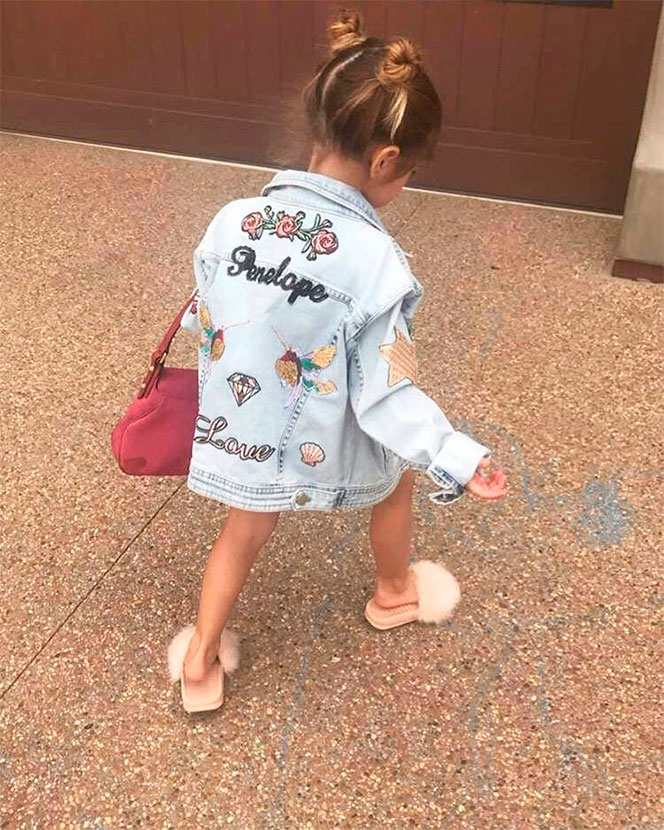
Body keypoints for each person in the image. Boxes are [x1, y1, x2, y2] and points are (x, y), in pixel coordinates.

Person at [167, 9, 507, 713]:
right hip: (326, 430)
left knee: (245, 524)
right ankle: (394, 592)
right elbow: (385, 389)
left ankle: (200, 656)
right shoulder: (375, 260)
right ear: (386, 161)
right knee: (396, 478)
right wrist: (453, 453)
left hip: (244, 424)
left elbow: (208, 315)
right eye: (408, 173)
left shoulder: (234, 218)